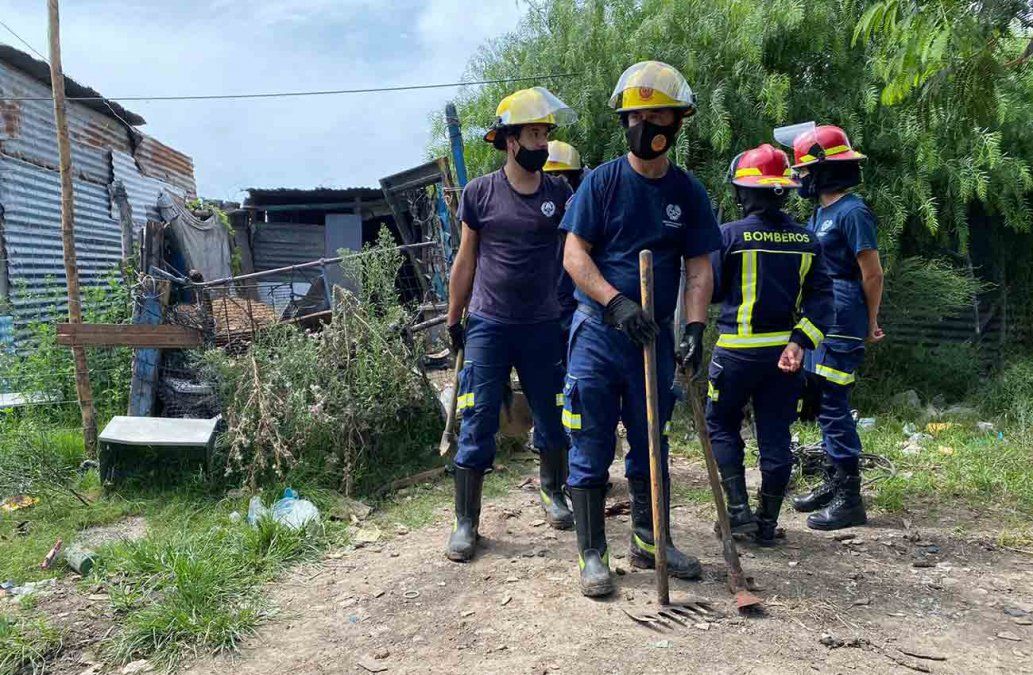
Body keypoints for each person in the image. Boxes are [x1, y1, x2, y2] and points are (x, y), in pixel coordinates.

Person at [560, 61, 722, 597]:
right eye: (636, 116)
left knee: (651, 444)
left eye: (657, 116)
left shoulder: (688, 192)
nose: (644, 125)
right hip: (600, 336)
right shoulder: (601, 183)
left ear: (677, 124)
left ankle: (652, 542)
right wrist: (615, 304)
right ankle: (592, 553)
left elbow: (699, 266)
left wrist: (694, 328)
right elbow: (574, 255)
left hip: (651, 344)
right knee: (591, 442)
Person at [445, 87, 578, 561]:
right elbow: (466, 259)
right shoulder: (480, 192)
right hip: (489, 323)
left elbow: (575, 255)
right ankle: (466, 522)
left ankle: (554, 492)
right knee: (478, 415)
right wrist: (454, 317)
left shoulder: (558, 193)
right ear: (509, 141)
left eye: (545, 133)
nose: (543, 143)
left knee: (552, 412)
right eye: (534, 134)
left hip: (544, 324)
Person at [705, 144, 833, 546]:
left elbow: (708, 291)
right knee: (775, 436)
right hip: (784, 357)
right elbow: (822, 301)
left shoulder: (728, 236)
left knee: (721, 424)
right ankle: (766, 522)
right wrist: (800, 342)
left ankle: (738, 512)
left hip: (735, 352)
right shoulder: (807, 241)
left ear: (745, 192)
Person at [788, 125, 885, 531]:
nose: (801, 179)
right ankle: (832, 482)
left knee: (833, 403)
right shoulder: (822, 211)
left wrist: (871, 320)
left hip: (844, 316)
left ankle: (850, 498)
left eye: (806, 171)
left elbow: (873, 272)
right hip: (822, 314)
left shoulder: (853, 211)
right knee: (820, 400)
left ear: (824, 171)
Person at [543, 140, 586, 359]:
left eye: (564, 176)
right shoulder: (533, 216)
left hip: (580, 303)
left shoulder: (586, 214)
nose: (558, 184)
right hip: (545, 305)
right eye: (551, 178)